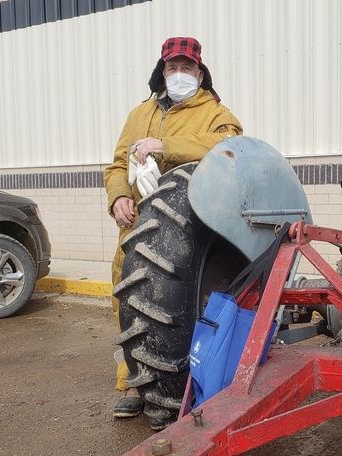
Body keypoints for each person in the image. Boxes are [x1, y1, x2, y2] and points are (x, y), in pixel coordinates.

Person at [104, 37, 243, 420]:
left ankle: (188, 382)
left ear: (200, 73)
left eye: (187, 68)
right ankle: (133, 382)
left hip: (186, 236)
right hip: (135, 230)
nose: (179, 75)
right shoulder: (139, 114)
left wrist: (165, 144)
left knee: (176, 308)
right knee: (129, 306)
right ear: (161, 71)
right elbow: (117, 164)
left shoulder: (214, 111)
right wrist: (118, 197)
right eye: (172, 67)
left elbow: (230, 144)